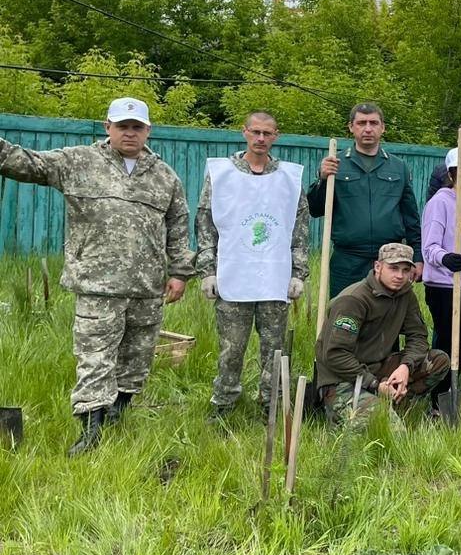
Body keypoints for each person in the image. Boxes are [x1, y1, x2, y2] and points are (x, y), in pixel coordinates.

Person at [0, 97, 194, 454]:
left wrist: (180, 271)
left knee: (137, 358)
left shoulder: (165, 176)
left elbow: (178, 227)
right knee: (95, 358)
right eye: (122, 126)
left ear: (148, 130)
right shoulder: (79, 162)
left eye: (137, 127)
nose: (130, 133)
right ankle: (90, 430)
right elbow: (25, 163)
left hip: (147, 288)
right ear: (108, 127)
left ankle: (118, 412)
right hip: (96, 285)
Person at [196, 111, 309, 420]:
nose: (261, 138)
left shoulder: (288, 178)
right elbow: (206, 223)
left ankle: (271, 404)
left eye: (267, 133)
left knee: (274, 349)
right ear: (244, 132)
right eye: (255, 132)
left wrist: (298, 272)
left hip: (274, 279)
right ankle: (224, 403)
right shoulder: (222, 174)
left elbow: (299, 227)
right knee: (231, 349)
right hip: (234, 276)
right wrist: (207, 269)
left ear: (276, 136)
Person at [314, 243, 449, 426]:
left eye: (405, 270)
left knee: (439, 360)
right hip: (343, 379)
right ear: (378, 267)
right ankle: (348, 407)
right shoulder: (353, 300)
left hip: (377, 368)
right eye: (393, 268)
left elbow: (418, 337)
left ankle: (396, 401)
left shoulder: (406, 295)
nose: (400, 276)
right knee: (390, 432)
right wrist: (375, 384)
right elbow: (335, 356)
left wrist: (405, 367)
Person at [307, 102, 422, 297]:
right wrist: (323, 179)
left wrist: (418, 256)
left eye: (373, 123)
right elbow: (315, 209)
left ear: (382, 127)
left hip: (389, 260)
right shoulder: (336, 164)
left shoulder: (398, 167)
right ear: (351, 127)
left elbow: (411, 217)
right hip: (347, 260)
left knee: (384, 319)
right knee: (344, 319)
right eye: (361, 123)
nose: (368, 128)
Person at [420, 146, 461, 384]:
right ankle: (439, 398)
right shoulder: (441, 203)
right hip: (445, 285)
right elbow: (429, 246)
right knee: (448, 345)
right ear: (451, 175)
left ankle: (454, 393)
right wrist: (445, 257)